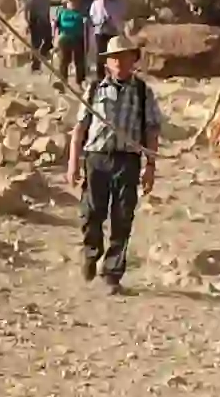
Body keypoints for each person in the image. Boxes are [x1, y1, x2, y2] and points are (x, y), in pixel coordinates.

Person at [69, 32, 162, 289]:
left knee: (122, 217)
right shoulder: (94, 88)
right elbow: (80, 127)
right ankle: (91, 254)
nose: (120, 62)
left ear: (134, 59)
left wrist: (150, 167)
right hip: (97, 157)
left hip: (128, 161)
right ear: (107, 63)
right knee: (91, 214)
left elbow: (152, 131)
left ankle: (112, 273)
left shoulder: (143, 92)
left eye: (125, 57)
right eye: (114, 58)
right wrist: (73, 162)